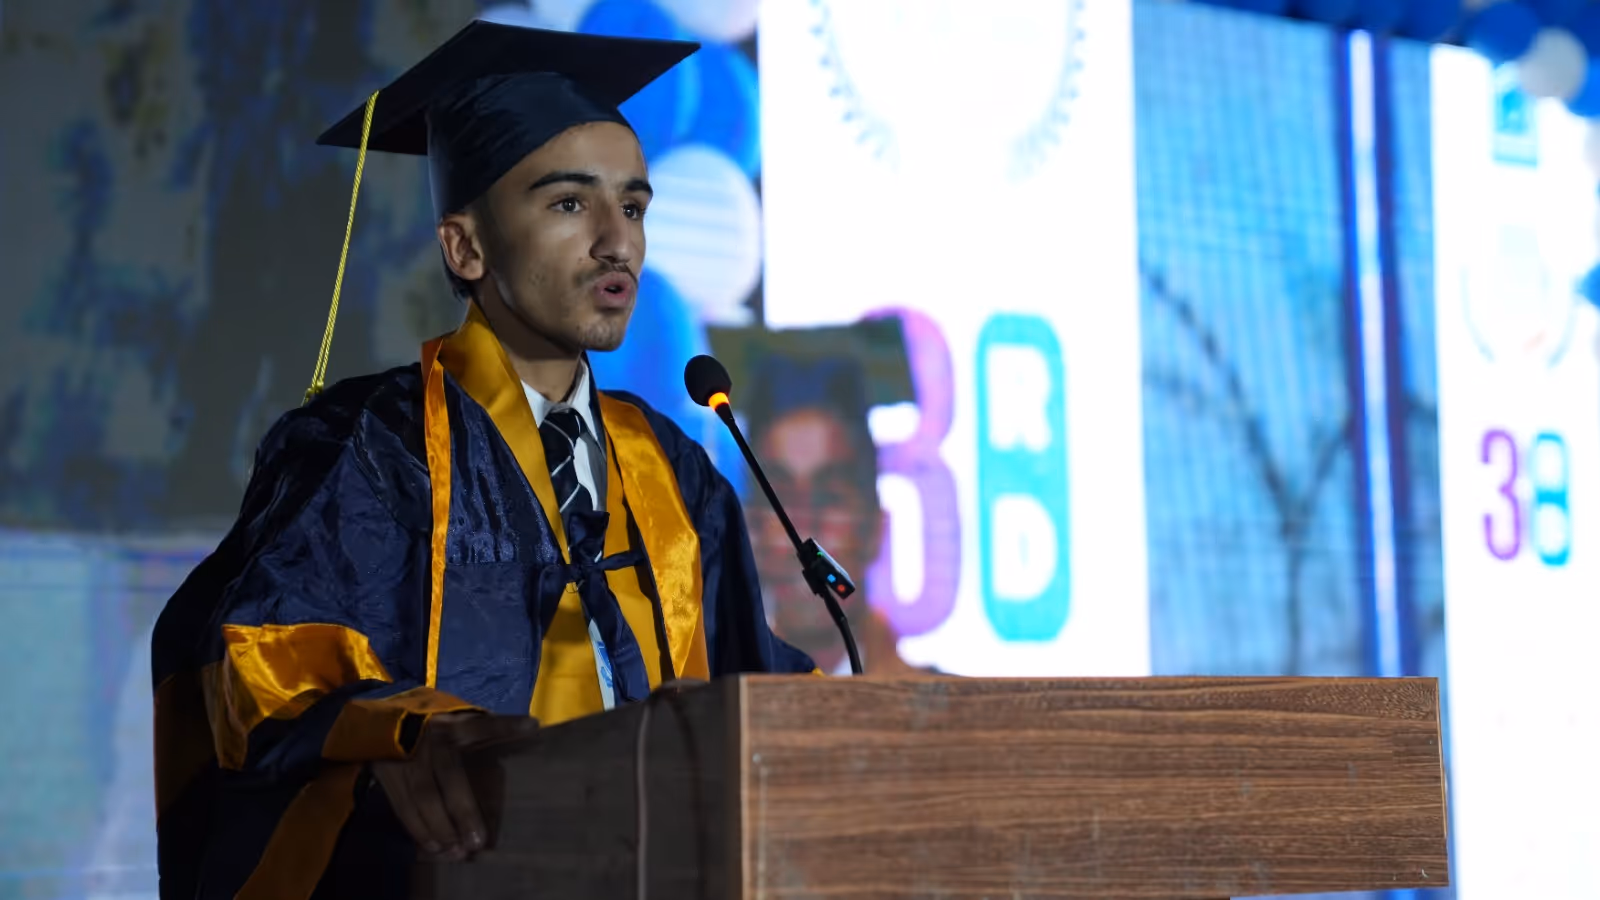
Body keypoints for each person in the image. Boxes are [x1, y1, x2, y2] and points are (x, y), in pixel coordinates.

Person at [149, 21, 815, 899]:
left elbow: (747, 689)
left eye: (635, 205)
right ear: (465, 247)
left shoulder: (674, 466)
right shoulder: (368, 446)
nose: (618, 241)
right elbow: (261, 667)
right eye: (570, 204)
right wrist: (406, 734)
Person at [740, 351, 922, 676]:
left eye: (831, 497)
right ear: (752, 531)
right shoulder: (722, 705)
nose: (803, 526)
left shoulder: (942, 713)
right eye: (781, 498)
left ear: (875, 530)